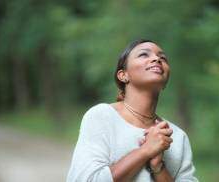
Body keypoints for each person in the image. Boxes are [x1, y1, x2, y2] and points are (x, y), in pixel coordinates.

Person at [67, 39, 198, 182]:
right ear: (123, 75)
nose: (156, 59)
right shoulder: (102, 116)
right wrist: (145, 151)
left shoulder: (177, 137)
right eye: (144, 55)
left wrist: (158, 167)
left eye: (163, 58)